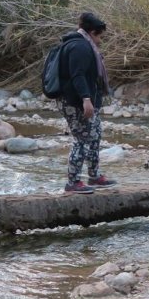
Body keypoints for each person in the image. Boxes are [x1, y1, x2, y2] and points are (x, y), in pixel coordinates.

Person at [57, 12, 116, 194]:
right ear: (91, 32)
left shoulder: (83, 45)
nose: (100, 40)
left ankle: (94, 175)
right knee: (81, 140)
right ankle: (73, 182)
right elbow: (78, 75)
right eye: (99, 36)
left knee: (95, 134)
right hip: (76, 103)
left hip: (85, 101)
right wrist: (86, 99)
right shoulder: (79, 47)